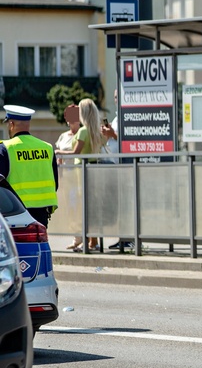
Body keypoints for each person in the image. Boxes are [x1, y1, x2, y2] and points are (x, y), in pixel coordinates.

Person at [56, 98, 104, 251]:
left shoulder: (83, 131)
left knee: (83, 206)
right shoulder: (95, 130)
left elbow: (76, 152)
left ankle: (89, 240)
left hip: (81, 171)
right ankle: (92, 241)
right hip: (92, 169)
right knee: (89, 205)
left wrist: (58, 152)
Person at [0, 105, 59, 229]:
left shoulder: (6, 148)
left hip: (15, 212)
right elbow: (55, 183)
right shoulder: (47, 147)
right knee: (38, 246)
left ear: (11, 124)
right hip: (42, 212)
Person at [101, 89, 133, 251]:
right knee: (119, 205)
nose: (116, 99)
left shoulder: (127, 116)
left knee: (126, 205)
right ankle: (122, 237)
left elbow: (129, 138)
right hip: (115, 165)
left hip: (124, 167)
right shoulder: (116, 117)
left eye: (118, 96)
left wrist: (112, 134)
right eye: (114, 97)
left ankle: (128, 238)